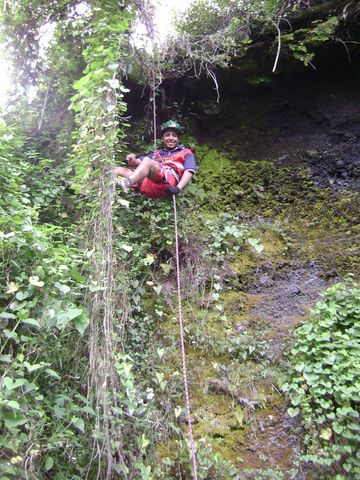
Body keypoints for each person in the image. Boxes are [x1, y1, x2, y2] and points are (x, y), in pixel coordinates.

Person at [113, 120, 196, 199]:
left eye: (174, 135)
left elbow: (189, 171)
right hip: (147, 184)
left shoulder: (185, 152)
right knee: (116, 170)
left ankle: (127, 182)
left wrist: (178, 188)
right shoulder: (157, 154)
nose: (171, 138)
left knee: (147, 161)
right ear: (163, 139)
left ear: (178, 139)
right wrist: (131, 158)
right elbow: (134, 163)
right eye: (167, 135)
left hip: (166, 182)